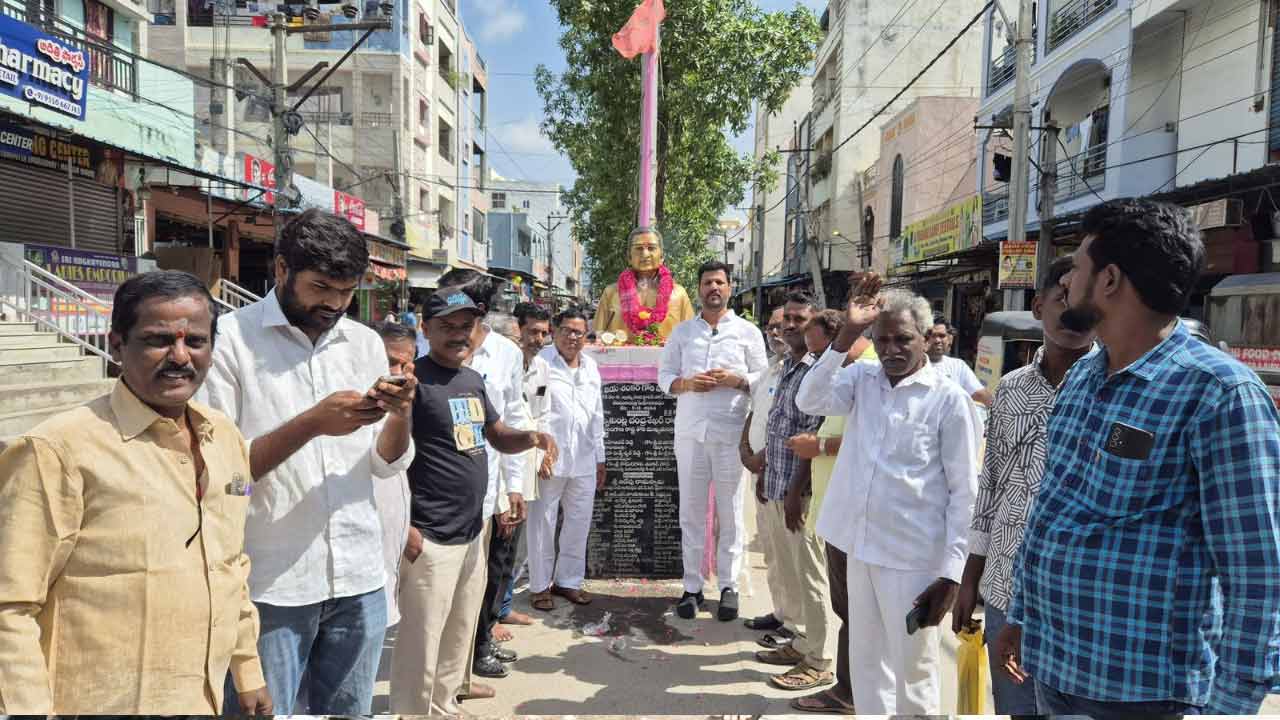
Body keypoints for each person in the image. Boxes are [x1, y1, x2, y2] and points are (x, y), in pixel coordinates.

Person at [995, 199, 1280, 717]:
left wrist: (1229, 707)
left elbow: (1257, 571)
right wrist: (1022, 615)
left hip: (1145, 693)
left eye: (1077, 267)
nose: (1065, 284)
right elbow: (1053, 510)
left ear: (1109, 280)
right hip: (1056, 667)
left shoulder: (1217, 392)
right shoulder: (1084, 374)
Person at [0, 271, 271, 714]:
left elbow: (228, 565)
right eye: (157, 340)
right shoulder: (58, 449)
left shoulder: (222, 437)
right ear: (116, 346)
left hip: (200, 699)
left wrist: (247, 668)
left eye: (196, 342)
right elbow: (10, 604)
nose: (180, 356)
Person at [199, 208, 417, 715]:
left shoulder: (363, 342)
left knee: (351, 712)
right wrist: (313, 423)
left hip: (360, 577)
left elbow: (384, 465)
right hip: (272, 584)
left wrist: (400, 413)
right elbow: (223, 474)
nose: (335, 304)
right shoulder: (230, 342)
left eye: (346, 292)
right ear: (280, 270)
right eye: (321, 288)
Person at [796, 276, 980, 715]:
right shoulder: (863, 378)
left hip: (913, 559)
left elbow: (964, 493)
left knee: (914, 672)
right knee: (867, 664)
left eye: (904, 339)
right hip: (859, 547)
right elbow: (810, 398)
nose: (893, 350)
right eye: (883, 340)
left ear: (926, 338)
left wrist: (953, 573)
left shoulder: (950, 400)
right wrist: (846, 335)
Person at [390, 288, 558, 715]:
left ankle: (444, 705)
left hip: (472, 530)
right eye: (447, 327)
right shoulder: (413, 382)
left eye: (466, 326)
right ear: (425, 329)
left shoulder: (471, 380)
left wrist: (533, 437)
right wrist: (404, 526)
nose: (459, 335)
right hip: (429, 534)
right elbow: (388, 459)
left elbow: (497, 434)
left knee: (458, 633)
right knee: (420, 641)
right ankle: (412, 712)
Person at [948, 256, 1095, 716]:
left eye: (1083, 302)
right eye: (1062, 298)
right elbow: (990, 488)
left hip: (1075, 597)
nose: (1072, 312)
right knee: (1017, 710)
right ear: (1038, 307)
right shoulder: (1010, 389)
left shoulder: (1112, 388)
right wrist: (969, 579)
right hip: (1004, 587)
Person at [431, 269, 530, 693]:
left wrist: (514, 488)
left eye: (460, 312)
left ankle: (476, 650)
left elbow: (512, 417)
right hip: (437, 492)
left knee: (487, 575)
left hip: (487, 485)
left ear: (479, 313)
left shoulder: (506, 353)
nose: (450, 322)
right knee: (439, 590)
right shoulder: (428, 348)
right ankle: (441, 677)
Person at [658, 260, 768, 620]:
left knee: (730, 512)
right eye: (707, 283)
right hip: (691, 432)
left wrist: (736, 380)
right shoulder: (683, 333)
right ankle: (692, 586)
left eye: (719, 282)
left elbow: (763, 379)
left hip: (730, 432)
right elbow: (665, 377)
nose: (713, 289)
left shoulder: (748, 332)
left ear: (730, 287)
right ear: (699, 289)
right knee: (690, 510)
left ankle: (728, 586)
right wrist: (689, 384)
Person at [787, 308, 877, 714]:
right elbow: (809, 398)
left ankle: (851, 692)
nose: (822, 359)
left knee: (857, 612)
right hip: (837, 514)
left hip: (864, 519)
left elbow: (870, 440)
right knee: (848, 610)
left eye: (825, 350)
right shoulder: (850, 370)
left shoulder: (873, 371)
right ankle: (850, 690)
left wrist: (819, 448)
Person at [751, 291, 833, 692]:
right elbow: (779, 427)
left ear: (814, 322)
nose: (789, 326)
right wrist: (767, 475)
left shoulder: (819, 369)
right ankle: (801, 643)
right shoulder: (787, 365)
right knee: (792, 573)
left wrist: (795, 490)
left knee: (812, 577)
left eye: (798, 320)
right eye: (785, 320)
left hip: (803, 495)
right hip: (780, 486)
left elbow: (812, 436)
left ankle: (819, 661)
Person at [528, 307, 607, 611]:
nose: (573, 337)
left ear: (586, 336)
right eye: (567, 330)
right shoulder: (541, 364)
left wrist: (601, 457)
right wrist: (538, 451)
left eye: (579, 332)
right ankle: (539, 586)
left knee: (578, 523)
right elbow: (533, 410)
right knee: (543, 523)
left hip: (584, 458)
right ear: (555, 331)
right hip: (550, 458)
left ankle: (568, 582)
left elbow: (597, 414)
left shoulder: (590, 367)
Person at [497, 301, 555, 628]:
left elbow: (541, 413)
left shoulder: (542, 368)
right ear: (517, 328)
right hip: (501, 453)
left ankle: (502, 608)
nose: (538, 339)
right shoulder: (500, 363)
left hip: (527, 457)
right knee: (499, 539)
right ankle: (488, 617)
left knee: (515, 541)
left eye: (544, 333)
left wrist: (544, 452)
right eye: (532, 331)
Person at [740, 307, 796, 643]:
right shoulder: (768, 369)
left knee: (792, 555)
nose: (777, 333)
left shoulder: (803, 371)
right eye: (772, 327)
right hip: (759, 471)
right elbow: (756, 414)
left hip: (786, 476)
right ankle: (781, 613)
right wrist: (744, 449)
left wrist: (763, 458)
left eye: (785, 326)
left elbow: (795, 427)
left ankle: (796, 626)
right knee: (772, 550)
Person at [374, 321, 417, 632]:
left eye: (406, 363)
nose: (399, 372)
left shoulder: (405, 404)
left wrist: (406, 526)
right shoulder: (349, 410)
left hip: (394, 546)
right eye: (391, 362)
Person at [926, 319, 992, 405]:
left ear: (950, 339)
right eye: (933, 336)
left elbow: (980, 395)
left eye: (942, 336)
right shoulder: (914, 365)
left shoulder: (958, 366)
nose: (938, 340)